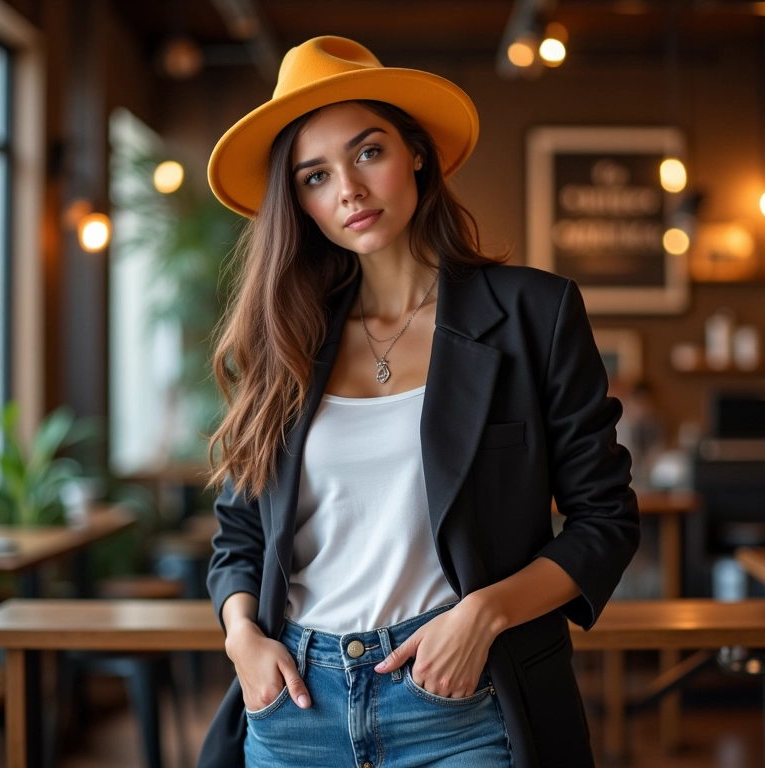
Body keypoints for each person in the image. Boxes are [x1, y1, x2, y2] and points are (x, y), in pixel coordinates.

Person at [198, 36, 640, 768]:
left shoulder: (535, 312)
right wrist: (242, 637)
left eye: (368, 153)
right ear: (298, 202)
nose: (348, 189)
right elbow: (239, 536)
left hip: (462, 694)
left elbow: (605, 519)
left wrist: (483, 614)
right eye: (315, 176)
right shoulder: (284, 341)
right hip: (295, 705)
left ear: (416, 154)